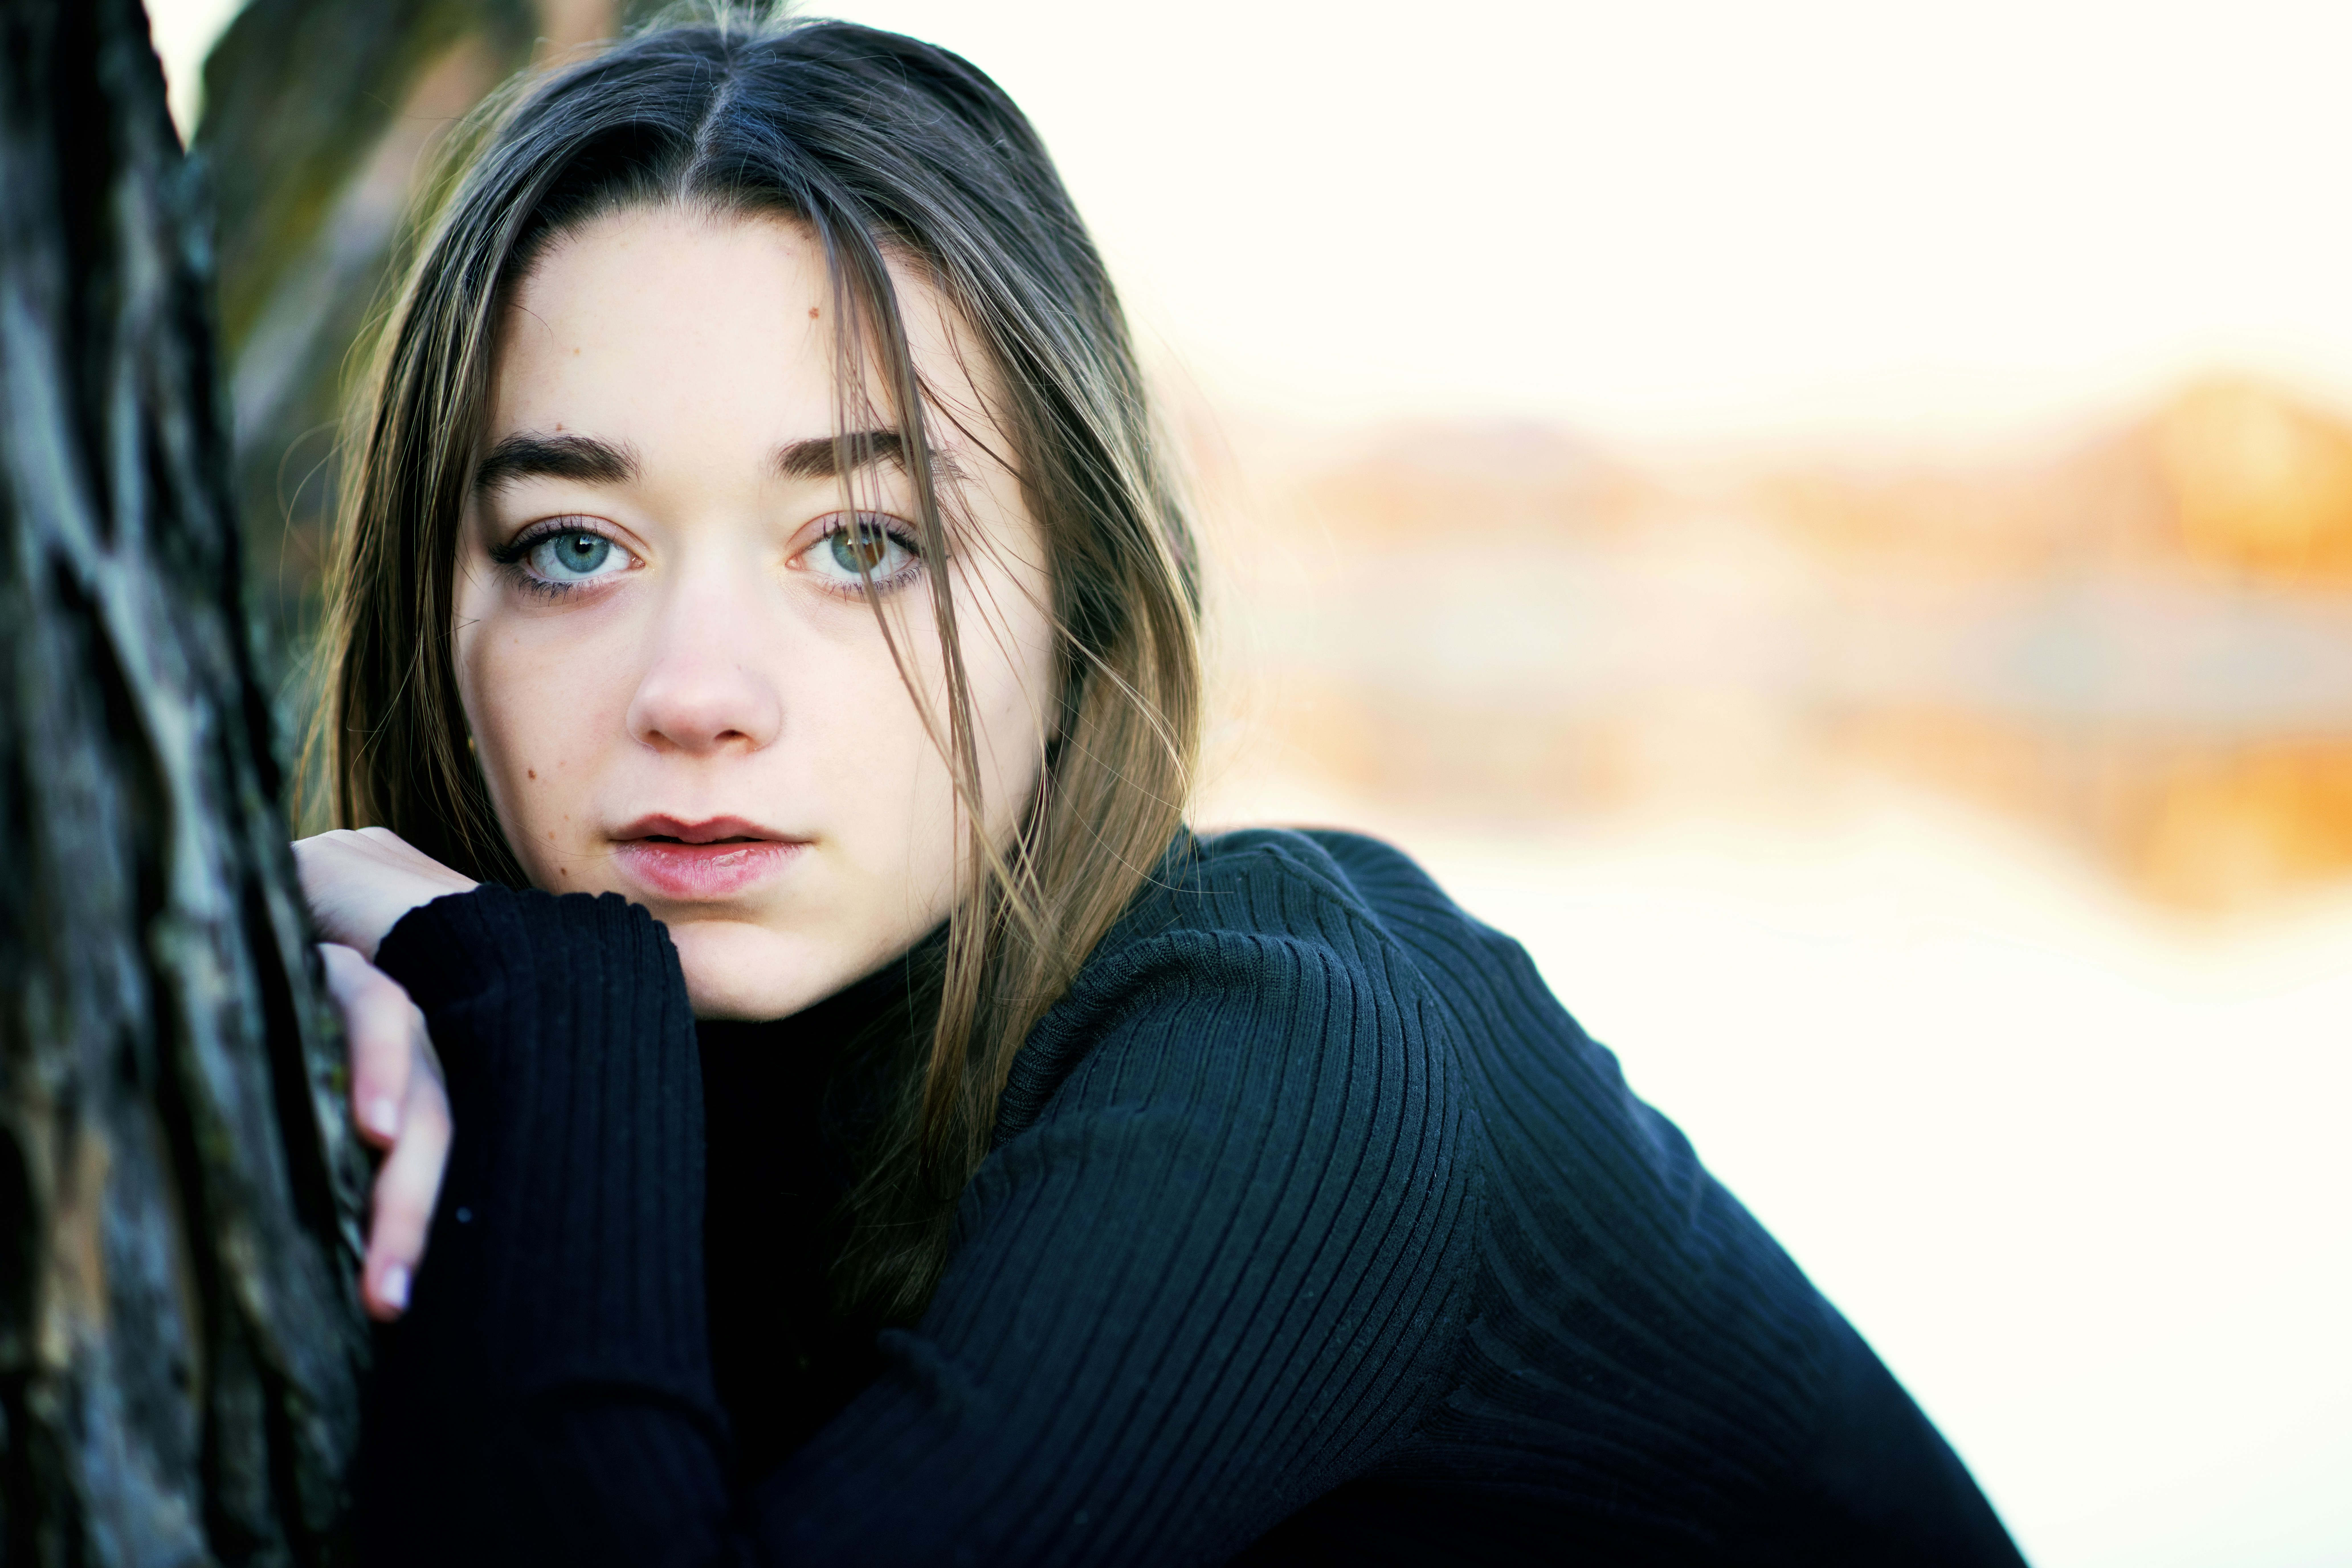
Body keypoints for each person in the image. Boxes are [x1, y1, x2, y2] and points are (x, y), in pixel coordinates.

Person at [296, 13, 2026, 1565]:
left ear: (1086, 609)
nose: (695, 696)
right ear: (432, 616)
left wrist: (549, 1022)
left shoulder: (1298, 1059)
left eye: (867, 541)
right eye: (575, 546)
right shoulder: (587, 1061)